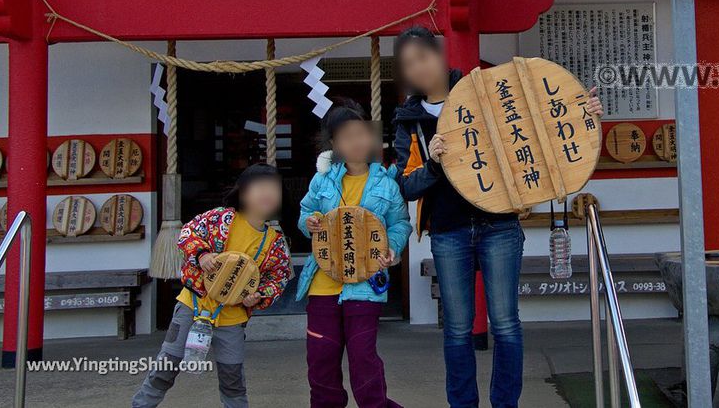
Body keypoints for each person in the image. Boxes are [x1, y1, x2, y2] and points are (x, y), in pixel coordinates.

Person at [391, 26, 602, 408]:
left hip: (500, 226)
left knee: (505, 324)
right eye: (408, 63)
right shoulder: (409, 119)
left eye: (423, 56)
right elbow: (405, 187)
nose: (418, 67)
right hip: (448, 230)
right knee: (456, 330)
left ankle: (506, 404)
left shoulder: (480, 89)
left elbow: (533, 122)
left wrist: (580, 112)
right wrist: (434, 163)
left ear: (440, 54)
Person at [132, 163, 292, 408]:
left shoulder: (275, 242)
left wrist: (259, 296)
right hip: (192, 305)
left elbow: (277, 278)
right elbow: (188, 233)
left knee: (232, 377)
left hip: (232, 317)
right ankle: (141, 405)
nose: (267, 194)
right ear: (243, 192)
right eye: (260, 187)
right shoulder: (219, 218)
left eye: (274, 189)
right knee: (166, 365)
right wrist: (202, 254)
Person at [296, 102, 412, 408]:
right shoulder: (322, 181)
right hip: (323, 283)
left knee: (363, 359)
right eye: (346, 137)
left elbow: (401, 222)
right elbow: (306, 214)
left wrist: (392, 245)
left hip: (365, 283)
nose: (356, 142)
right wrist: (309, 223)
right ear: (334, 144)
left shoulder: (386, 182)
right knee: (321, 360)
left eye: (361, 134)